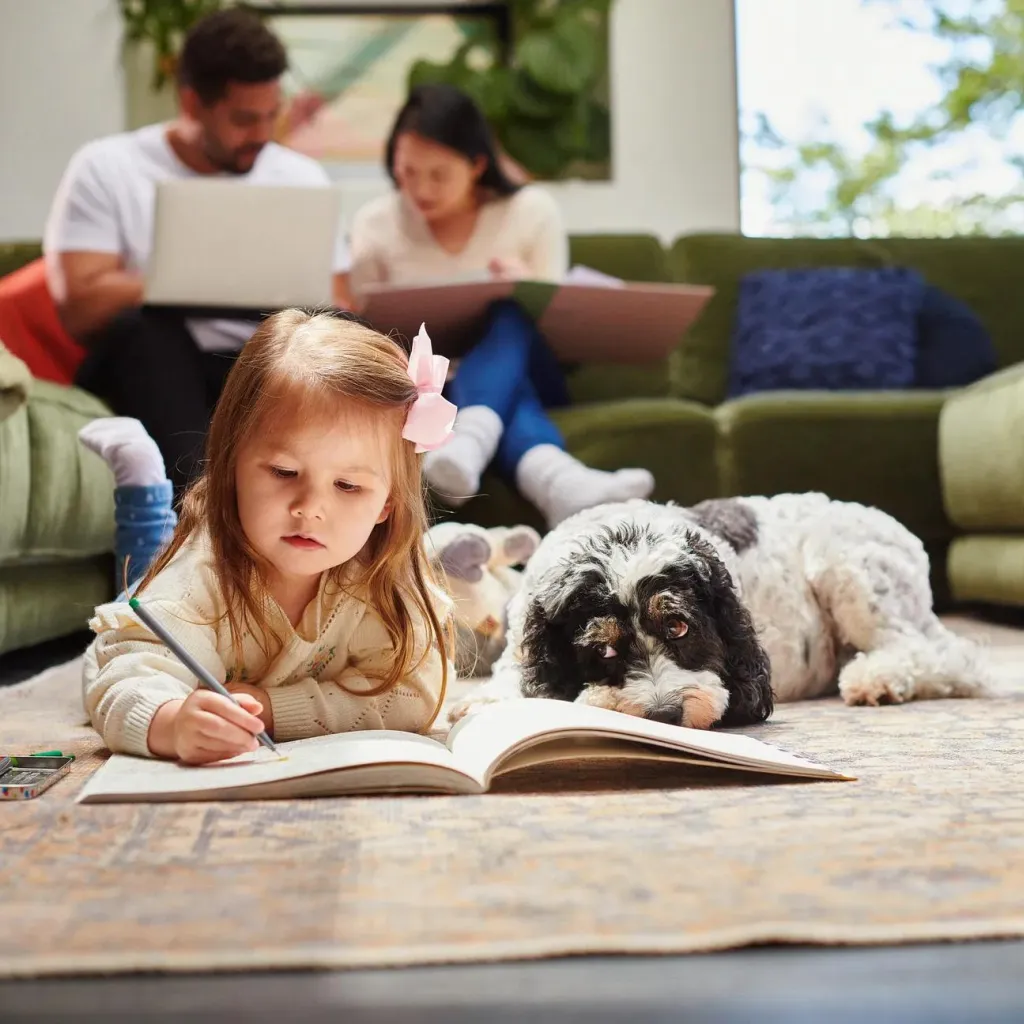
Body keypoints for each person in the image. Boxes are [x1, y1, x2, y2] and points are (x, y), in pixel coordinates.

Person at [79, 310, 455, 765]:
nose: (309, 507)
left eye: (348, 486)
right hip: (179, 575)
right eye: (284, 472)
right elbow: (123, 678)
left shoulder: (380, 579)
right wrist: (172, 722)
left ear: (387, 504)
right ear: (231, 461)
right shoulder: (194, 581)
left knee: (155, 552)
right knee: (145, 568)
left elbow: (416, 693)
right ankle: (142, 491)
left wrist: (275, 709)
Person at [44, 8, 352, 500]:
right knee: (143, 329)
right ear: (192, 102)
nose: (261, 134)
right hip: (156, 361)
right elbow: (79, 306)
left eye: (271, 116)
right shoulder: (108, 167)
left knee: (346, 334)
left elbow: (338, 300)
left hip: (263, 361)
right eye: (244, 119)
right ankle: (200, 513)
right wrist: (183, 280)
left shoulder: (300, 178)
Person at [346, 83, 654, 529]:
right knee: (466, 385)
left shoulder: (531, 211)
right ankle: (559, 481)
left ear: (477, 165)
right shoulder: (375, 224)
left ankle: (468, 439)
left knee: (511, 312)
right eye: (407, 172)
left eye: (438, 175)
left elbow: (553, 324)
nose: (420, 189)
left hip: (529, 369)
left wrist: (523, 285)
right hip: (428, 382)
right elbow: (366, 325)